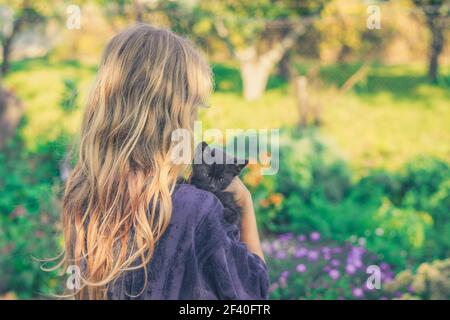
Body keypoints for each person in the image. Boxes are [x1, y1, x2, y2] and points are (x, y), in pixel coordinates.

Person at [60, 24, 269, 300]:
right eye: (193, 109)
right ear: (173, 116)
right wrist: (245, 203)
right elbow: (253, 294)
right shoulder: (193, 209)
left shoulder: (86, 196)